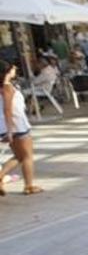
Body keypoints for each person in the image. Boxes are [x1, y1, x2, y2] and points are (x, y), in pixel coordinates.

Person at [0, 60, 43, 196]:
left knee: (19, 156)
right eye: (12, 68)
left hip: (9, 125)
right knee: (27, 156)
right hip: (16, 125)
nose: (15, 69)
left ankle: (1, 176)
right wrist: (10, 130)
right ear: (7, 72)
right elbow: (8, 109)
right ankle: (29, 186)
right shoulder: (7, 87)